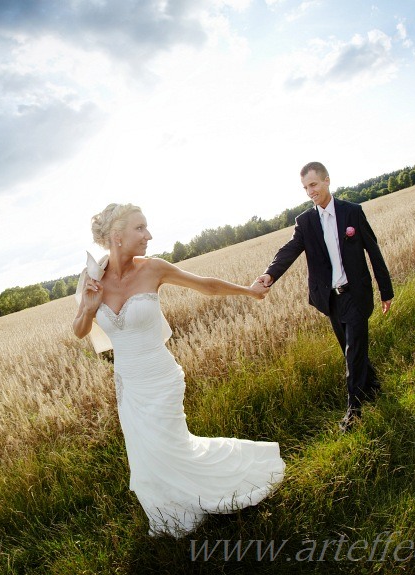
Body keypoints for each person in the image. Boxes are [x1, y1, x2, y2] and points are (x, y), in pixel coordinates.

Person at [73, 202, 285, 537]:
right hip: (129, 386)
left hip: (161, 378)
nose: (149, 235)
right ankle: (173, 515)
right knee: (148, 455)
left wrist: (249, 291)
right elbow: (80, 329)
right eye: (140, 228)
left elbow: (206, 285)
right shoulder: (91, 279)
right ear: (117, 236)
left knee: (175, 447)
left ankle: (233, 480)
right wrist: (87, 307)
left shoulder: (153, 269)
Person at [256, 162, 394, 433]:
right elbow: (290, 250)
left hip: (356, 293)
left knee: (352, 353)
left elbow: (373, 252)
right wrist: (269, 275)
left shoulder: (352, 213)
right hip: (331, 300)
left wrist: (385, 291)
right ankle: (374, 387)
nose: (310, 191)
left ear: (327, 181)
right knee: (351, 349)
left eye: (314, 185)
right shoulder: (305, 222)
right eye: (306, 187)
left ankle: (353, 412)